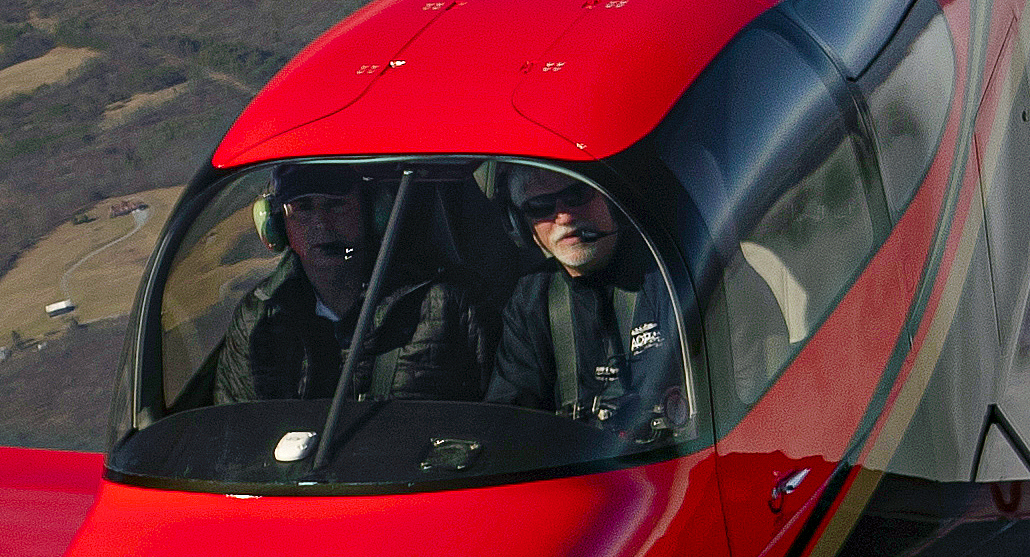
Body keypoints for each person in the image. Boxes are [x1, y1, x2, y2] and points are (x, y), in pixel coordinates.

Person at [210, 169, 491, 417]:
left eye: (336, 205)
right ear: (276, 226)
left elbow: (490, 419)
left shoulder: (445, 304)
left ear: (373, 212)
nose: (321, 224)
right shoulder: (258, 318)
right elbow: (237, 433)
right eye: (304, 208)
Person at [490, 169, 685, 448]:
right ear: (522, 226)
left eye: (576, 195)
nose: (564, 216)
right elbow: (508, 425)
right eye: (541, 206)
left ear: (613, 201)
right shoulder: (530, 299)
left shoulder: (671, 276)